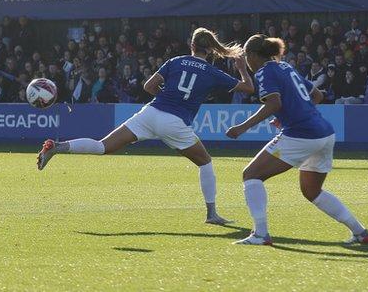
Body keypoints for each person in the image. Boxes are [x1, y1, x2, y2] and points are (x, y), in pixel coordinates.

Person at [37, 28, 254, 224]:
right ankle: (211, 214)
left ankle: (58, 146)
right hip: (175, 123)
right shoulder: (212, 72)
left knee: (102, 146)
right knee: (205, 162)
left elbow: (149, 86)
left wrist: (168, 97)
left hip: (150, 113)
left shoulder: (176, 61)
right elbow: (248, 88)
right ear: (211, 50)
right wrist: (243, 68)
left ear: (192, 46)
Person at [226, 34, 368, 245]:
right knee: (312, 190)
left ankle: (260, 234)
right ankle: (361, 232)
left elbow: (274, 103)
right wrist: (293, 114)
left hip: (301, 135)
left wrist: (242, 127)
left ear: (253, 55)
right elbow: (317, 95)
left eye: (247, 56)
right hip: (324, 133)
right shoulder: (285, 67)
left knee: (251, 174)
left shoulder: (265, 72)